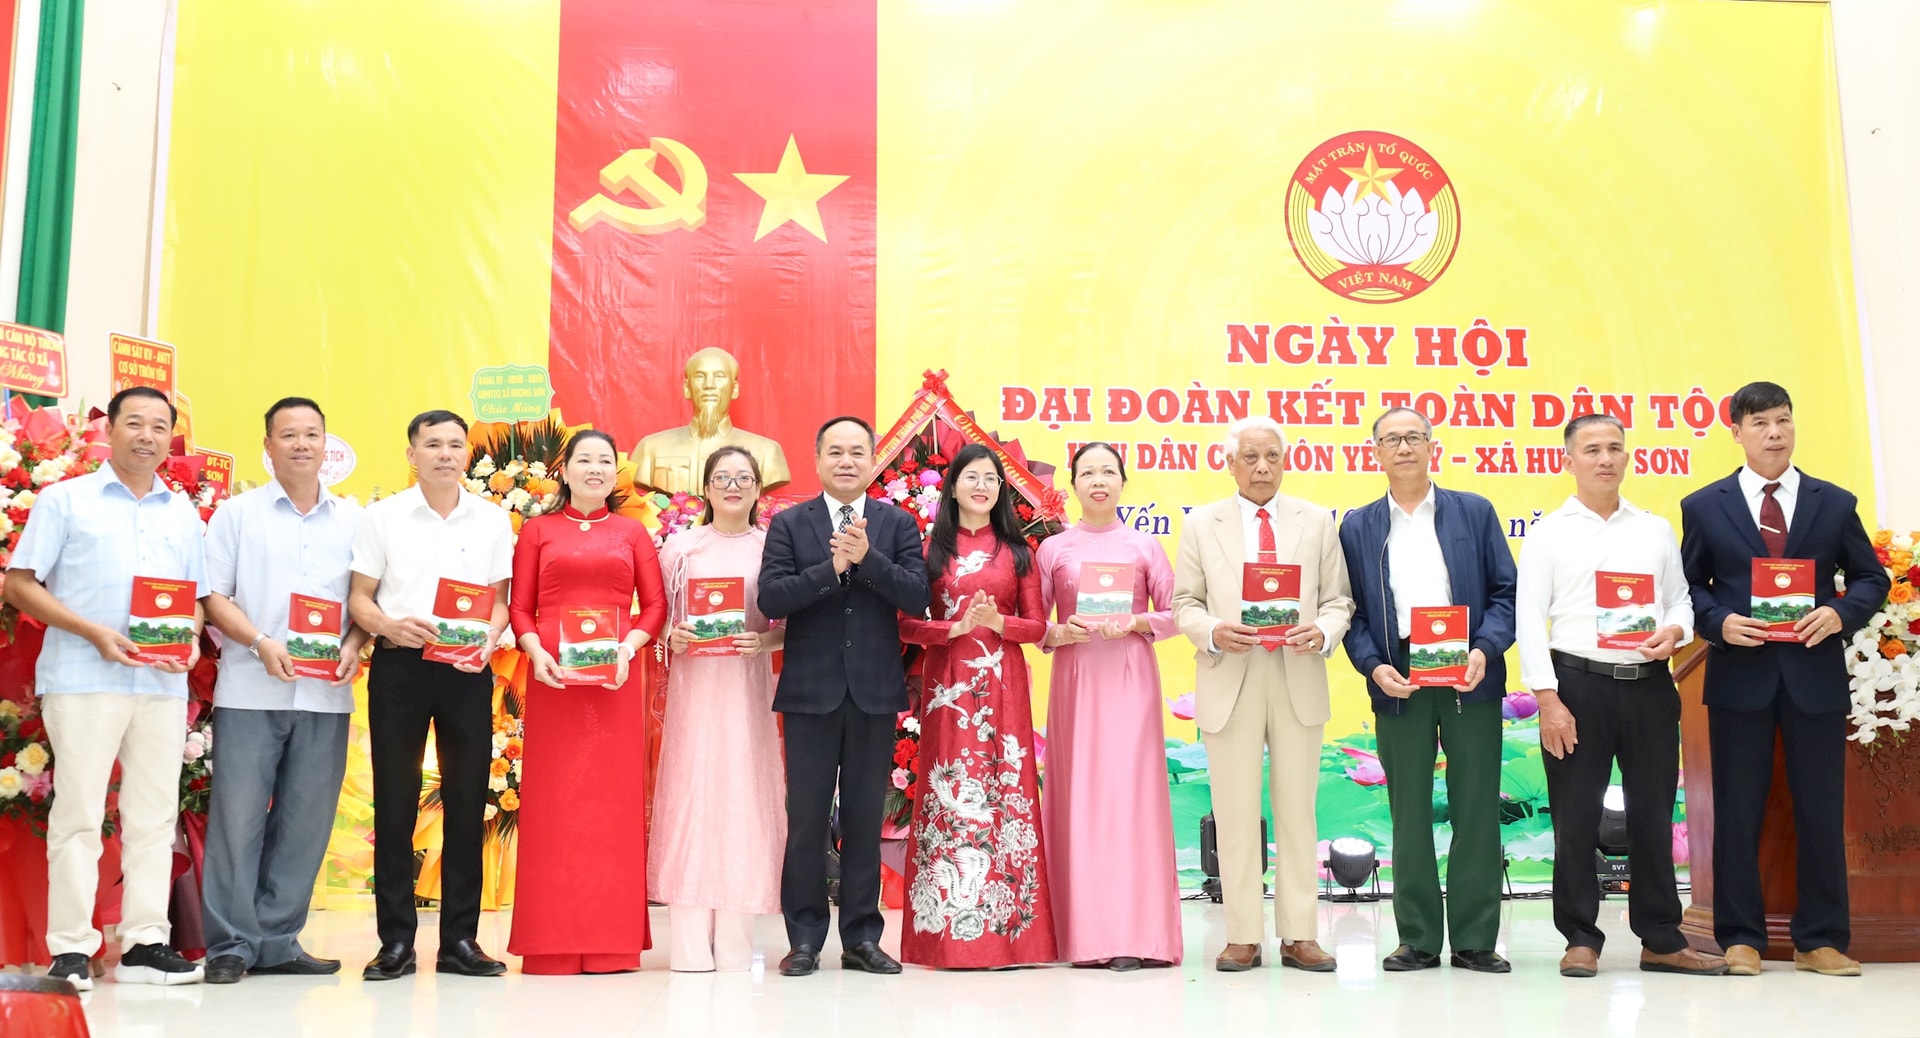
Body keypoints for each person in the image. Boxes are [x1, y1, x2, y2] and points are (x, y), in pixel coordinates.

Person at [1679, 381, 1888, 978]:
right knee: (1737, 810)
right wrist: (1719, 622)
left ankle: (1820, 939)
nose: (1774, 433)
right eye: (1761, 423)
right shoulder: (1704, 505)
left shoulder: (1834, 502)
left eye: (1783, 421)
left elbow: (1871, 578)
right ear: (1737, 432)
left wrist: (1840, 614)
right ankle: (1740, 938)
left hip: (1813, 675)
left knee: (1820, 810)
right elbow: (1688, 586)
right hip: (1739, 675)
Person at [4, 386, 208, 989]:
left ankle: (145, 942)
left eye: (160, 426)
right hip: (83, 678)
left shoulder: (181, 512)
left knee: (154, 816)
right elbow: (19, 584)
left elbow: (194, 598)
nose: (147, 436)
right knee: (79, 814)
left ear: (170, 438)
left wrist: (191, 639)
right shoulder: (65, 500)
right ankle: (70, 949)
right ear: (110, 430)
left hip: (161, 684)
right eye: (135, 423)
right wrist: (92, 632)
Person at [1518, 414, 1728, 978]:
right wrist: (1547, 699)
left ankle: (1661, 937)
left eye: (1615, 447)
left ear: (1627, 456)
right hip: (1576, 687)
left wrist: (1676, 630)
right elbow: (1529, 620)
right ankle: (1580, 938)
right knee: (1575, 817)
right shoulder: (1547, 533)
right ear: (1568, 460)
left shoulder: (1653, 529)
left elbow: (1680, 599)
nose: (1605, 458)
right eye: (1592, 450)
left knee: (1653, 814)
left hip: (1649, 686)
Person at [1336, 407, 1515, 974]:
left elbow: (1505, 593)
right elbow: (1352, 612)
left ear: (1432, 446)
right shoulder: (1358, 527)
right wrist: (1372, 666)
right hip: (1400, 679)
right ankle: (1416, 938)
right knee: (1408, 811)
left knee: (1477, 807)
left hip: (1469, 675)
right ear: (1375, 453)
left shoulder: (1474, 511)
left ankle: (1475, 939)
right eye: (1391, 439)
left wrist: (1485, 648)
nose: (1404, 447)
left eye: (1414, 436)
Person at [1172, 416, 1352, 974]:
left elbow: (1339, 601)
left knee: (1298, 811)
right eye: (1249, 457)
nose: (1261, 467)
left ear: (1285, 461)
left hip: (1298, 674)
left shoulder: (1317, 521)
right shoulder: (1201, 524)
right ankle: (1242, 935)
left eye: (1272, 456)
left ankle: (1300, 934)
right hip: (1231, 673)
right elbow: (1185, 604)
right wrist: (1211, 631)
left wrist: (1323, 631)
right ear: (1230, 464)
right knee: (1234, 812)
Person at [199, 397, 368, 984]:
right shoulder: (237, 514)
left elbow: (366, 600)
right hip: (250, 689)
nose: (301, 444)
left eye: (311, 434)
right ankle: (230, 944)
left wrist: (355, 644)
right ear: (267, 446)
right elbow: (212, 595)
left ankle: (277, 939)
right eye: (288, 434)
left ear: (326, 446)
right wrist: (260, 642)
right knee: (237, 820)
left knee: (305, 822)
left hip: (325, 695)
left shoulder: (354, 521)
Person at [759, 416, 929, 977]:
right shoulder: (790, 524)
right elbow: (772, 598)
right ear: (818, 459)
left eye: (857, 451)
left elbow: (917, 595)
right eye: (836, 451)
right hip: (809, 693)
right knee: (806, 822)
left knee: (862, 821)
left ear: (872, 460)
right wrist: (832, 568)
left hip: (873, 692)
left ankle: (861, 938)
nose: (847, 460)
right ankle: (804, 939)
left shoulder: (897, 523)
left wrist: (868, 559)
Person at [348, 410, 514, 981]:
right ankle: (395, 942)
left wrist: (488, 639)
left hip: (466, 669)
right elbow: (360, 598)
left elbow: (499, 601)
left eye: (455, 445)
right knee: (395, 803)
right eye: (433, 444)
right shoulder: (383, 517)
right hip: (400, 666)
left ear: (467, 454)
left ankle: (460, 941)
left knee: (467, 803)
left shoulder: (492, 520)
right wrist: (388, 626)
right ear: (411, 454)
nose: (446, 454)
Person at [505, 429, 666, 974]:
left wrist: (627, 648)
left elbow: (655, 607)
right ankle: (548, 943)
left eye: (604, 461)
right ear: (565, 470)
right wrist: (534, 651)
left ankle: (611, 943)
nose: (594, 469)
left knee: (611, 806)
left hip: (614, 678)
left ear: (614, 474)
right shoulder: (538, 530)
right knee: (555, 805)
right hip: (553, 677)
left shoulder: (632, 532)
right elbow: (520, 607)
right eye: (584, 460)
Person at [897, 444, 1056, 969]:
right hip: (948, 684)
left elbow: (1037, 627)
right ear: (953, 488)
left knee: (1004, 791)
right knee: (949, 789)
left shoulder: (1017, 551)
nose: (981, 486)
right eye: (971, 477)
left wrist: (997, 624)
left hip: (1004, 684)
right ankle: (943, 937)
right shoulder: (929, 550)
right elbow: (905, 625)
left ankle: (1012, 937)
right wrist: (953, 628)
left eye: (991, 478)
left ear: (1000, 490)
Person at [1035, 441, 1183, 969]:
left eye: (1108, 472)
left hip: (1130, 677)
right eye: (1088, 473)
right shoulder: (1053, 550)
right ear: (1073, 484)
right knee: (1081, 795)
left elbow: (1177, 612)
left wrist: (1138, 621)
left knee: (1133, 797)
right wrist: (1059, 631)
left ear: (1123, 482)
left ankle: (1139, 937)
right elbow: (1035, 624)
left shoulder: (1145, 546)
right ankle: (1082, 935)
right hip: (1076, 679)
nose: (1098, 481)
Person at [652, 446, 786, 972]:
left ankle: (734, 947)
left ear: (758, 490)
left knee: (743, 801)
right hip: (695, 693)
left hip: (748, 694)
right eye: (723, 478)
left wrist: (766, 642)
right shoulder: (681, 549)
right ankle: (687, 947)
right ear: (705, 488)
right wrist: (673, 636)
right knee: (691, 798)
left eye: (744, 477)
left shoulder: (772, 548)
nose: (733, 486)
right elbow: (660, 618)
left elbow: (793, 624)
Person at [630, 347, 792, 494]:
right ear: (687, 388)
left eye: (719, 376)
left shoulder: (767, 452)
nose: (709, 385)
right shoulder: (650, 448)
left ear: (734, 389)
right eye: (700, 377)